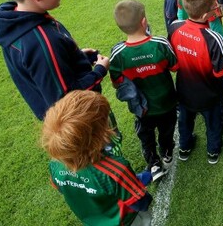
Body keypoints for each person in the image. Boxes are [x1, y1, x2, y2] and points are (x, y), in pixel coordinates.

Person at [0, 0, 110, 120]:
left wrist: (77, 57)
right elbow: (67, 99)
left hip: (61, 117)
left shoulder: (20, 21)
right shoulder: (42, 42)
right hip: (76, 120)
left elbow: (45, 72)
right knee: (96, 146)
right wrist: (98, 71)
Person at [42, 90, 153, 226]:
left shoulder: (55, 165)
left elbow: (61, 188)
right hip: (127, 221)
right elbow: (141, 203)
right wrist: (138, 183)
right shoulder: (115, 170)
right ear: (96, 137)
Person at [110, 0, 178, 182]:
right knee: (167, 129)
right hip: (167, 102)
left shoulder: (117, 54)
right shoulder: (160, 44)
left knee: (146, 135)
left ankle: (153, 163)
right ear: (143, 22)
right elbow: (175, 66)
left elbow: (117, 83)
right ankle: (167, 152)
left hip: (142, 108)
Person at [169, 0, 223, 165]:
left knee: (185, 121)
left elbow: (173, 64)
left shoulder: (174, 28)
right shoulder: (214, 38)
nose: (216, 8)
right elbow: (221, 72)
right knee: (213, 124)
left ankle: (184, 148)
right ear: (205, 16)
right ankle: (213, 151)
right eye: (214, 6)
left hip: (184, 92)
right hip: (209, 95)